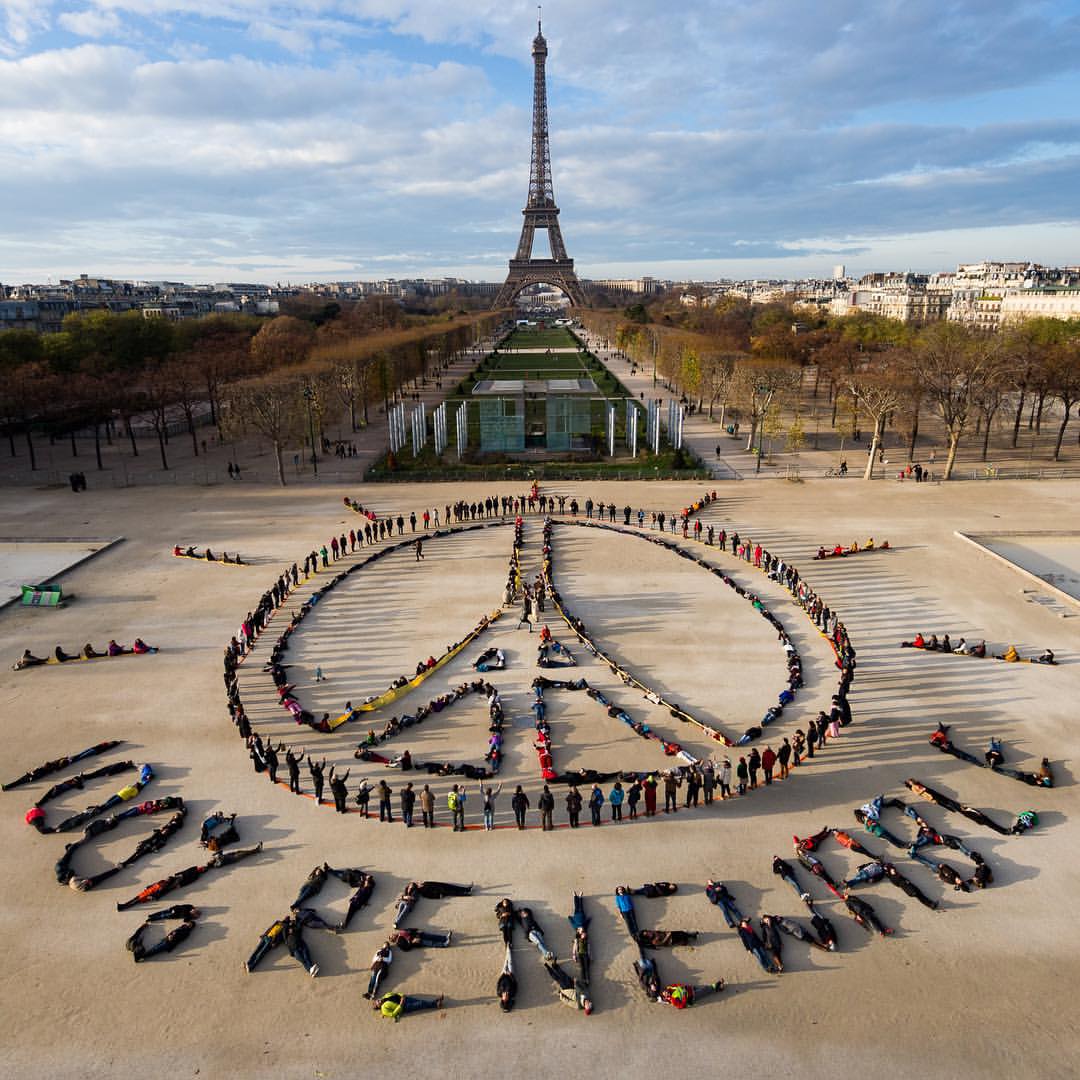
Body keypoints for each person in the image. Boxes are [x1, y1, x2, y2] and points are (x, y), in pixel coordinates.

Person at [375, 991, 444, 1021]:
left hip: (405, 999)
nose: (378, 1001)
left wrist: (402, 996)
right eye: (377, 1003)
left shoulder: (386, 995)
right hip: (404, 1007)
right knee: (420, 1004)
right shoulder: (384, 1009)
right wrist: (400, 1005)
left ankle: (436, 1002)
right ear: (378, 1006)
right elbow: (393, 1014)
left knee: (421, 1001)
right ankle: (436, 1004)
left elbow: (396, 993)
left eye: (377, 1000)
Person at [660, 981, 724, 1009]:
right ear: (666, 997)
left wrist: (682, 986)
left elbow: (676, 985)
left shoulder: (669, 987)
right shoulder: (673, 1000)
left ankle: (718, 989)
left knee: (705, 990)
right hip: (692, 996)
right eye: (665, 994)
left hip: (690, 988)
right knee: (705, 990)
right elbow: (681, 1006)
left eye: (665, 992)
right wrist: (685, 996)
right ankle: (717, 984)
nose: (666, 993)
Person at [497, 944, 517, 1012]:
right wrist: (510, 974)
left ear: (502, 999)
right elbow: (515, 983)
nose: (505, 996)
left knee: (506, 961)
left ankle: (508, 948)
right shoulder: (512, 993)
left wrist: (502, 974)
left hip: (503, 974)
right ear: (508, 999)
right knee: (510, 961)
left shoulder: (499, 992)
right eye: (506, 998)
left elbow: (498, 982)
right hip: (510, 974)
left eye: (503, 998)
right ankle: (509, 948)